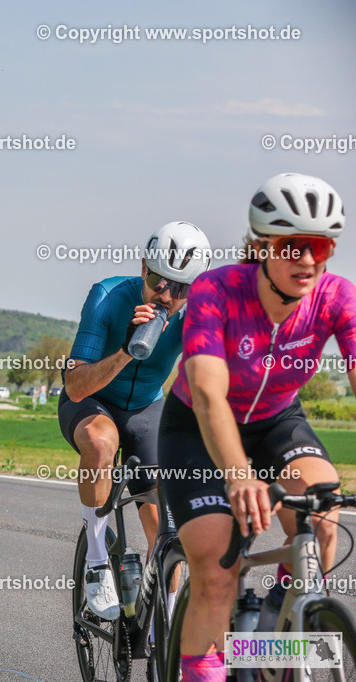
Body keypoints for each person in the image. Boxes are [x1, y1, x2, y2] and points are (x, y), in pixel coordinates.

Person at [159, 173, 356, 681]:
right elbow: (208, 393)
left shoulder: (337, 297)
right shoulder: (217, 290)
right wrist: (240, 475)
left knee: (323, 517)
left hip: (276, 421)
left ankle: (271, 635)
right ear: (263, 245)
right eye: (292, 246)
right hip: (197, 427)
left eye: (319, 247)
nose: (307, 260)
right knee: (217, 569)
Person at [60, 221, 211, 620]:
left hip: (146, 408)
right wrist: (127, 349)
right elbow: (75, 386)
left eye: (181, 289)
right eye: (160, 282)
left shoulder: (197, 312)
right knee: (101, 444)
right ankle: (96, 562)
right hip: (92, 402)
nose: (167, 296)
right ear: (144, 268)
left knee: (166, 527)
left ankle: (165, 623)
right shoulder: (108, 296)